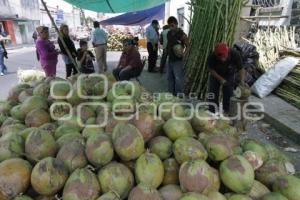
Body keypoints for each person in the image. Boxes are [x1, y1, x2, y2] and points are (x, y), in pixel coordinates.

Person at [207, 43, 245, 114]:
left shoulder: (235, 54)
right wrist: (220, 79)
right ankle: (212, 111)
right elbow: (211, 69)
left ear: (227, 52)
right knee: (212, 92)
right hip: (216, 74)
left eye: (224, 57)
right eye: (220, 58)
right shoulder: (212, 56)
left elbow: (241, 69)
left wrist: (242, 81)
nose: (222, 59)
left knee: (228, 92)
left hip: (229, 74)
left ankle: (226, 110)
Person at [166, 16, 188, 96]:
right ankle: (170, 94)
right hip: (170, 59)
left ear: (176, 24)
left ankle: (179, 95)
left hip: (178, 60)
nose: (171, 28)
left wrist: (183, 54)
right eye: (169, 26)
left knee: (178, 78)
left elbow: (188, 45)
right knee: (169, 78)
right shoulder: (168, 33)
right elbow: (169, 44)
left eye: (172, 25)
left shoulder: (182, 34)